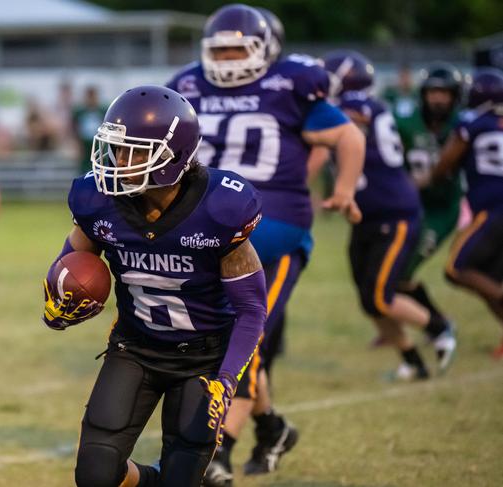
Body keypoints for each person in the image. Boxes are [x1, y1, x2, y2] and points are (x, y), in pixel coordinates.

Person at [166, 5, 365, 484]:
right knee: (218, 335)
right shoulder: (190, 86)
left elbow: (347, 136)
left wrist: (344, 190)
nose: (230, 58)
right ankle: (271, 428)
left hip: (272, 228)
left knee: (242, 339)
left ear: (264, 50)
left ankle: (218, 452)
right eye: (221, 50)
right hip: (206, 230)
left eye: (239, 48)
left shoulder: (288, 84)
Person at [42, 85, 267, 487]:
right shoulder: (98, 200)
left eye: (135, 151)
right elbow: (71, 266)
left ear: (174, 154)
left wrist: (227, 381)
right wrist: (59, 302)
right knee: (95, 474)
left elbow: (251, 310)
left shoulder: (221, 208)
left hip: (204, 358)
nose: (120, 161)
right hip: (136, 348)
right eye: (117, 148)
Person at [322, 50, 457, 380]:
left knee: (381, 296)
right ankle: (412, 360)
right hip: (365, 215)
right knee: (369, 301)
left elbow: (341, 123)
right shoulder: (358, 107)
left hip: (394, 213)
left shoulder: (359, 107)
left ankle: (440, 327)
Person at [431, 68, 503, 359]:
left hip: (493, 209)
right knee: (487, 276)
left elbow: (445, 163)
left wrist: (433, 177)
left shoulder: (471, 122)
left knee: (456, 269)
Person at [395, 62, 463, 337]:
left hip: (441, 210)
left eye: (444, 93)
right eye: (433, 92)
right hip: (410, 207)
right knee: (394, 271)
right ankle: (427, 321)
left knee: (402, 272)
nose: (438, 98)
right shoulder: (406, 122)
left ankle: (437, 324)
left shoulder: (462, 125)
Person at [72, 85, 107, 173]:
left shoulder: (102, 110)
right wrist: (76, 143)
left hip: (98, 143)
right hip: (84, 144)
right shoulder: (79, 112)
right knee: (84, 167)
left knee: (100, 164)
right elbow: (75, 127)